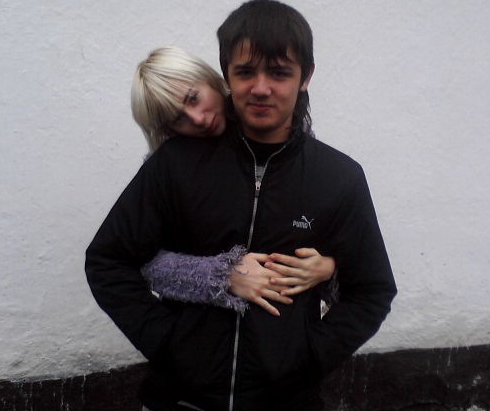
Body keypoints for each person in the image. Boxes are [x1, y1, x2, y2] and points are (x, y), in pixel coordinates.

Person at [85, 0, 397, 411]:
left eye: (280, 73)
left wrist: (308, 358)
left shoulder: (339, 177)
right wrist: (169, 344)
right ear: (226, 74)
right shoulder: (174, 164)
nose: (261, 88)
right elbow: (108, 261)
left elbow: (373, 290)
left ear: (306, 76)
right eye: (246, 72)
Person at [131, 45, 337, 317]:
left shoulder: (289, 137)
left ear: (210, 78)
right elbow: (140, 260)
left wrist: (329, 267)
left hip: (283, 333)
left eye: (194, 98)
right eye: (178, 119)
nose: (198, 119)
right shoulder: (168, 167)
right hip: (202, 331)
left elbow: (327, 228)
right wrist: (223, 276)